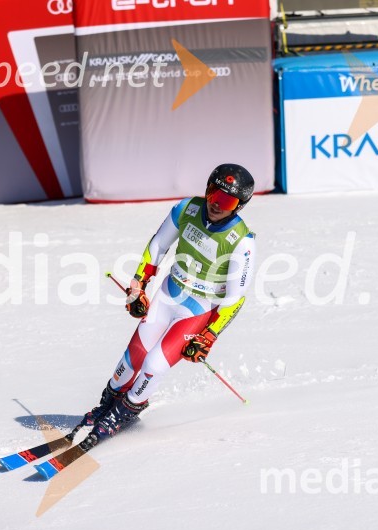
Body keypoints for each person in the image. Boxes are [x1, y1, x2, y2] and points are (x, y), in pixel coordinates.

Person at [68, 164, 258, 447]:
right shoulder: (186, 209)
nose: (217, 205)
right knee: (132, 356)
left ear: (239, 206)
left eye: (227, 201)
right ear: (206, 189)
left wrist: (209, 335)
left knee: (155, 363)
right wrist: (137, 286)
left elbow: (234, 299)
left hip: (199, 309)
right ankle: (107, 404)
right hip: (170, 292)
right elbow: (158, 246)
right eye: (214, 195)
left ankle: (125, 412)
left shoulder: (242, 242)